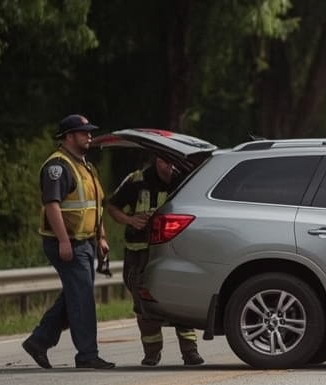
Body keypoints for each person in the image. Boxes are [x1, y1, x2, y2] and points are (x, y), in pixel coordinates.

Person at [21, 114, 115, 369]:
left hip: (85, 242)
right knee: (82, 298)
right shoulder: (58, 167)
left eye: (89, 132)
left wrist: (101, 236)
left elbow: (95, 204)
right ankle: (87, 355)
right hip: (68, 243)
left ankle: (39, 341)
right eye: (84, 132)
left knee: (75, 296)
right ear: (69, 136)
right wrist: (63, 241)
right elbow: (52, 206)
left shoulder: (85, 165)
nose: (89, 136)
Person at [105, 156, 203, 366]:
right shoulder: (137, 181)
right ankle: (151, 353)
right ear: (156, 161)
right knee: (144, 304)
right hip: (140, 253)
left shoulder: (185, 181)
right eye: (165, 162)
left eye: (172, 162)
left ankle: (190, 352)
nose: (170, 167)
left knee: (180, 300)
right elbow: (112, 207)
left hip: (175, 252)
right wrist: (131, 220)